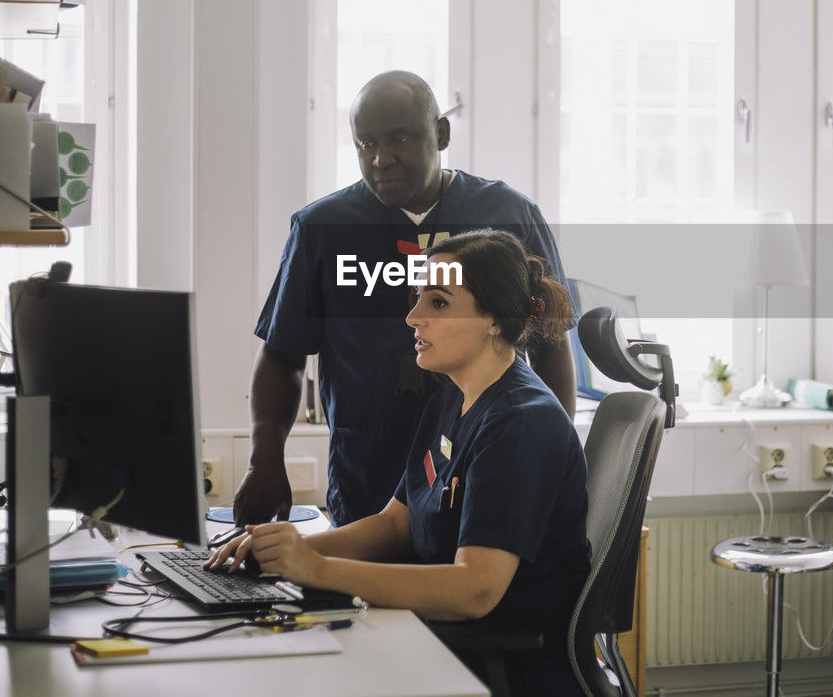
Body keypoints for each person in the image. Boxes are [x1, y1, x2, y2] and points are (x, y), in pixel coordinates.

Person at [209, 230, 590, 695]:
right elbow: (396, 525)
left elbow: (476, 590)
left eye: (439, 303)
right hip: (441, 640)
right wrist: (277, 551)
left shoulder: (521, 423)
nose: (413, 318)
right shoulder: (452, 397)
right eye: (418, 299)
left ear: (493, 318)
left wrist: (314, 568)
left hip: (501, 668)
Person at [236, 70, 576, 528]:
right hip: (365, 491)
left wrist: (553, 458)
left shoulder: (508, 217)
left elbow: (551, 345)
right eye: (365, 144)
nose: (381, 159)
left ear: (441, 133)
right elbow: (282, 354)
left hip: (485, 482)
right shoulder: (322, 229)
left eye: (400, 138)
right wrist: (264, 462)